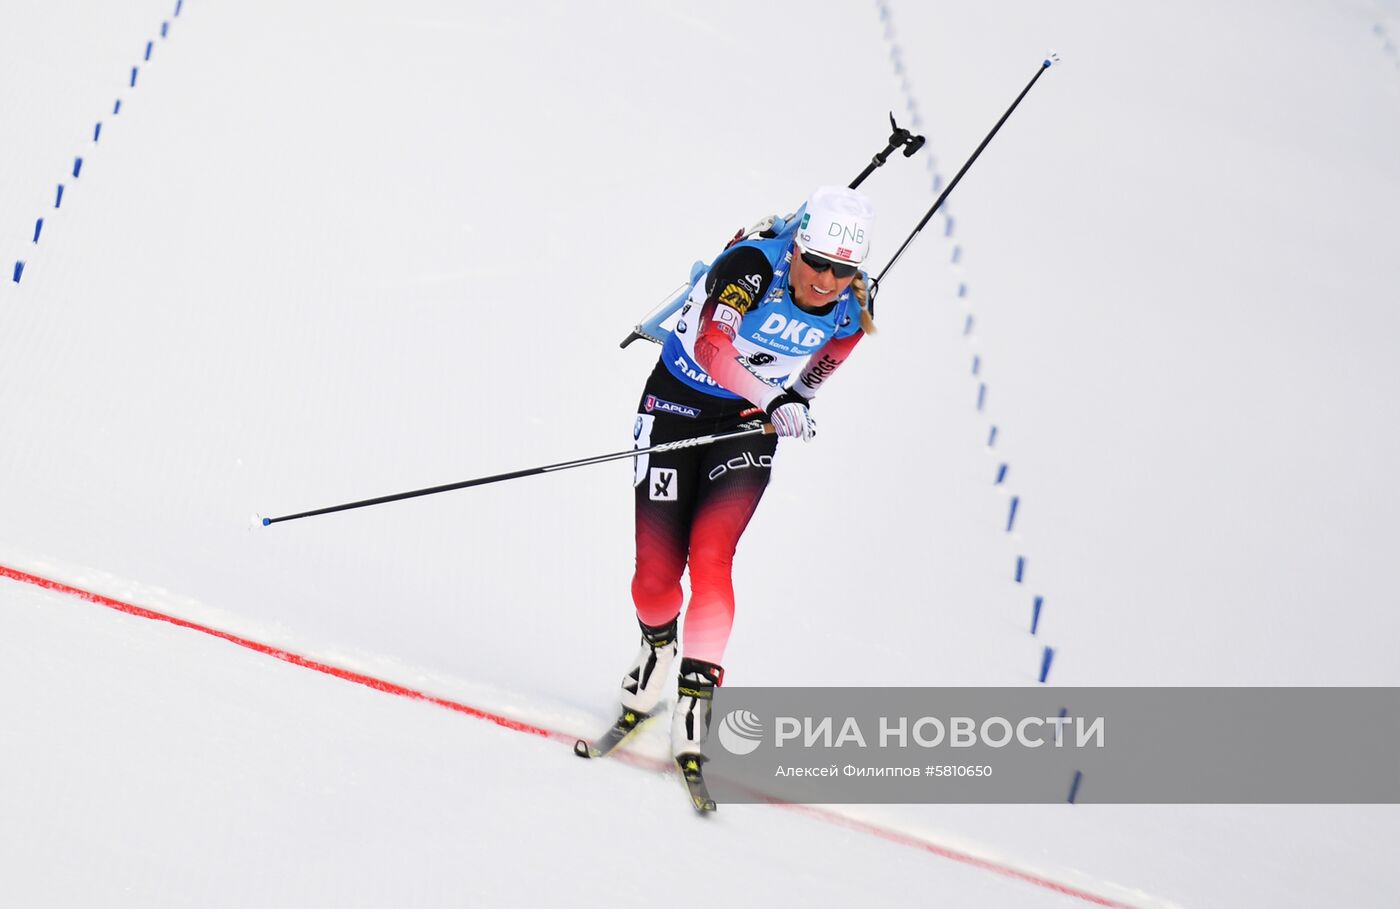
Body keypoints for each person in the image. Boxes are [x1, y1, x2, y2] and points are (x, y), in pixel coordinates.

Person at [617, 186, 877, 764]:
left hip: (743, 425)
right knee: (655, 578)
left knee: (713, 558)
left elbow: (832, 357)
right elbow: (712, 349)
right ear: (797, 249)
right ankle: (658, 645)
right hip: (674, 407)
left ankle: (697, 693)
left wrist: (797, 400)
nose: (826, 281)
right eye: (815, 263)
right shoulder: (752, 266)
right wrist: (776, 396)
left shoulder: (854, 299)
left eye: (842, 270)